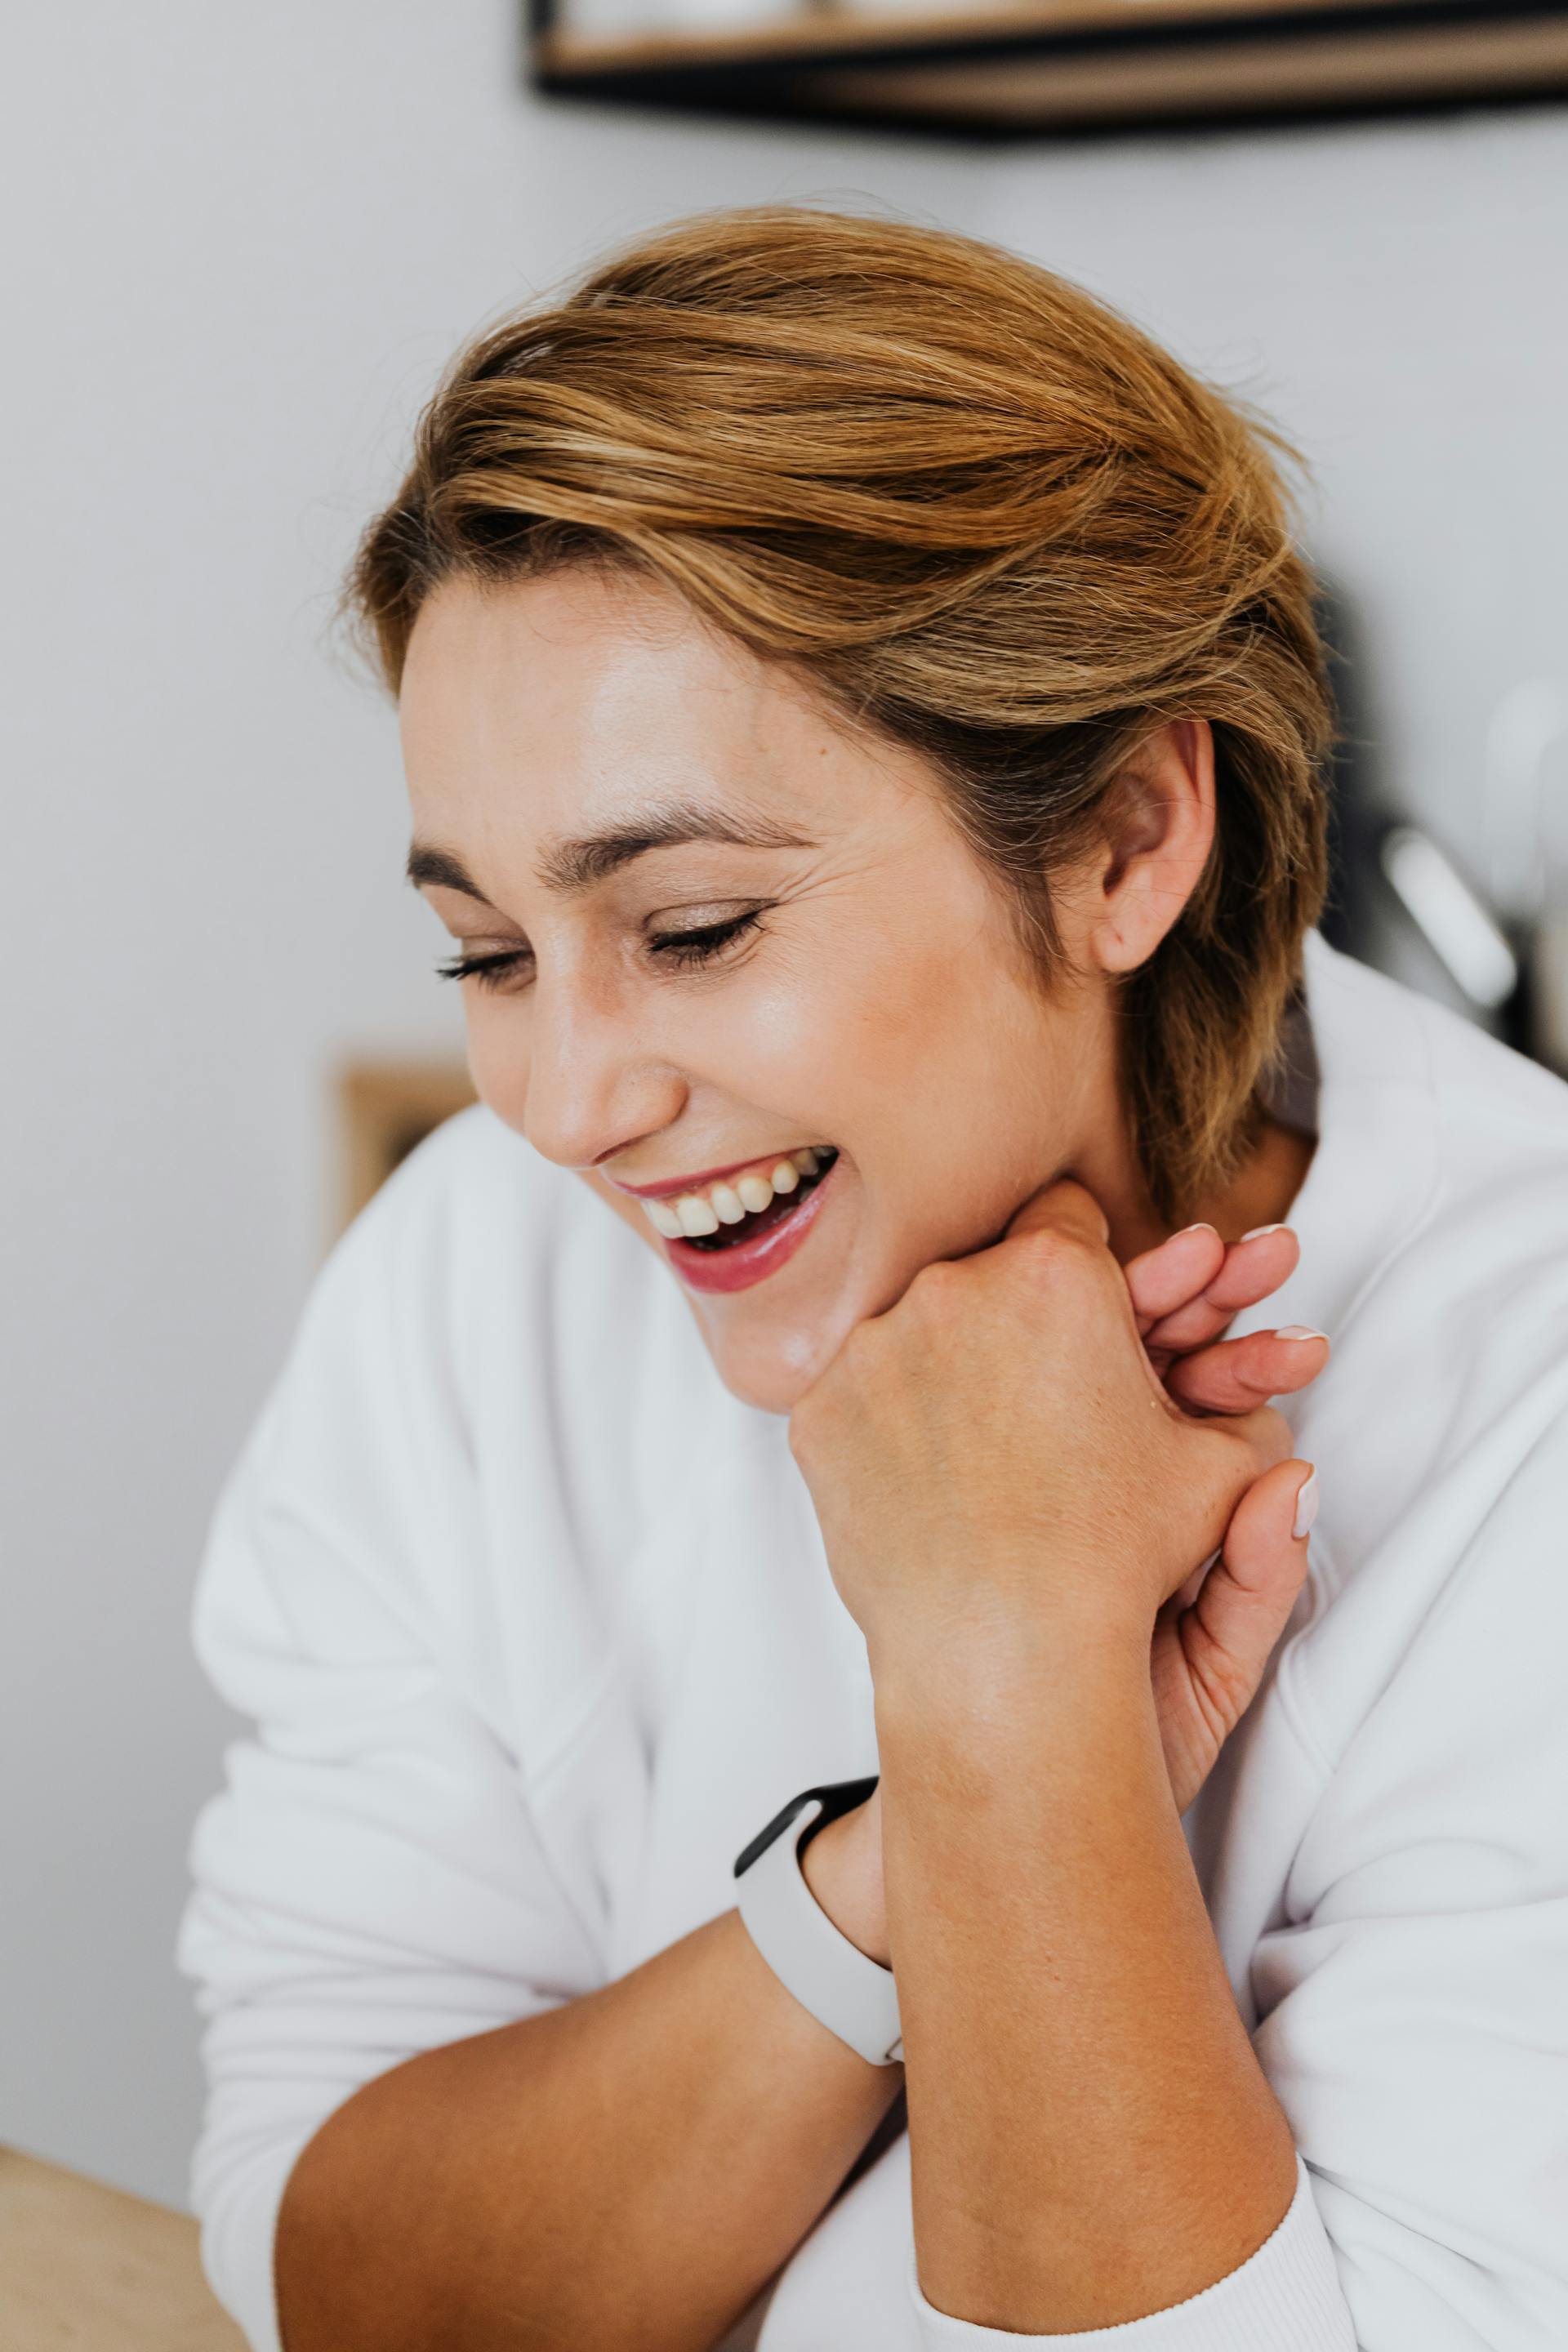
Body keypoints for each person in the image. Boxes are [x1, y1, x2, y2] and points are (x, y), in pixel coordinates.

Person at [179, 209, 1568, 2352]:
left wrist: (1009, 1673)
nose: (562, 1104)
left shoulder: (1528, 1396)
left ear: (1120, 838)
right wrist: (913, 1842)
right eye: (485, 952)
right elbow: (335, 2270)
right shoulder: (473, 1281)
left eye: (697, 926)